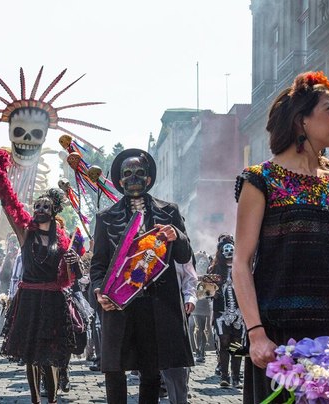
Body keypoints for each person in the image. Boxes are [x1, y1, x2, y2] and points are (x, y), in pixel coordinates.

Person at [232, 71, 329, 404]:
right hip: (281, 342)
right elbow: (240, 263)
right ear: (302, 121)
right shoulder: (261, 180)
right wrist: (256, 334)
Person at [90, 148, 194, 404]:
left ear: (148, 179)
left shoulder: (169, 212)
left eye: (139, 173)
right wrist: (98, 291)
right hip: (119, 305)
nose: (134, 178)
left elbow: (183, 256)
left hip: (157, 306)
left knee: (151, 370)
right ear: (120, 180)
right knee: (115, 370)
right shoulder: (106, 218)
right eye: (128, 173)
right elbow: (98, 266)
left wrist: (176, 235)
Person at [0, 179, 80, 404]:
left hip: (53, 300)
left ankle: (51, 400)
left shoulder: (62, 242)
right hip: (29, 300)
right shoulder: (26, 235)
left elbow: (73, 276)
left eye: (45, 207)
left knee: (50, 356)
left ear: (53, 212)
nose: (39, 210)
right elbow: (9, 209)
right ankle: (36, 401)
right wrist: (1, 179)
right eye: (37, 206)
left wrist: (75, 261)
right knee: (31, 355)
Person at [161, 257, 197, 404]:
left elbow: (189, 274)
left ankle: (179, 398)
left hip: (177, 305)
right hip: (149, 306)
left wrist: (190, 297)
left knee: (178, 359)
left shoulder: (180, 242)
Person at [209, 234, 243, 389]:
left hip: (239, 312)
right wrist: (212, 292)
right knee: (224, 342)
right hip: (221, 312)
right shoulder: (215, 269)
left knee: (237, 343)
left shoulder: (243, 267)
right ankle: (224, 376)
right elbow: (207, 291)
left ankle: (236, 376)